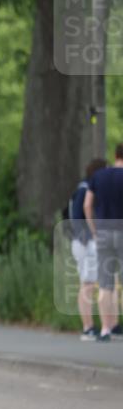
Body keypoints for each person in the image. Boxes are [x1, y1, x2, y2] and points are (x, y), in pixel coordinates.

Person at [84, 143, 123, 342]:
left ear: (115, 155)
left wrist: (94, 229)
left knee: (106, 284)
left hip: (104, 232)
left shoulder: (98, 176)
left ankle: (106, 329)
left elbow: (87, 204)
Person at [69, 159, 107, 340]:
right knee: (88, 284)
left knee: (88, 284)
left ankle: (89, 326)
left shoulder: (83, 187)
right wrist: (89, 238)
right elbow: (78, 216)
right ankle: (88, 327)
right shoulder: (85, 189)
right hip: (84, 242)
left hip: (82, 241)